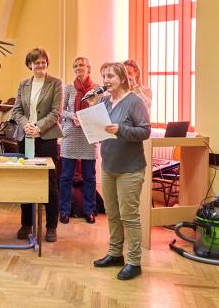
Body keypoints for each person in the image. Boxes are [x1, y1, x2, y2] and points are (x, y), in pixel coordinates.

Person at [89, 62, 151, 281]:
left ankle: (134, 262)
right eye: (104, 76)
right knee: (112, 214)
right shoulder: (105, 102)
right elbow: (99, 129)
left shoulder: (134, 101)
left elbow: (145, 131)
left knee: (129, 216)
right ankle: (115, 253)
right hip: (108, 167)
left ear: (123, 79)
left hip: (130, 169)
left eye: (111, 76)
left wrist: (121, 129)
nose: (106, 80)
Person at [11, 47, 63, 243]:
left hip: (46, 138)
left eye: (43, 62)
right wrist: (26, 126)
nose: (40, 65)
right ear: (29, 65)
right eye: (36, 62)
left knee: (49, 183)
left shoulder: (56, 83)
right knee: (25, 181)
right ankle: (26, 224)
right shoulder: (23, 84)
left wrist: (38, 127)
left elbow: (55, 112)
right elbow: (17, 111)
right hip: (25, 137)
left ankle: (51, 226)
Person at [59, 57, 99, 225]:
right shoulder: (68, 88)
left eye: (81, 65)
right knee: (66, 176)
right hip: (71, 134)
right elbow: (61, 111)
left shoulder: (96, 89)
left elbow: (100, 111)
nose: (78, 68)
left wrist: (86, 116)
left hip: (89, 135)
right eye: (75, 65)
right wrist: (73, 116)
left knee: (89, 176)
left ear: (89, 68)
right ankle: (64, 210)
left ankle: (89, 210)